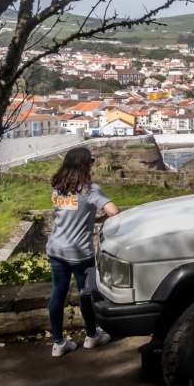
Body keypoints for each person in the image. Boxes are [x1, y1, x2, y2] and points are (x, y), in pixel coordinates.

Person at [46, 147, 121, 357]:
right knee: (86, 294)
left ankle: (58, 342)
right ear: (84, 164)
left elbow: (67, 214)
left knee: (57, 294)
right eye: (91, 161)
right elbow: (113, 211)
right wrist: (101, 221)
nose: (92, 164)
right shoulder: (90, 190)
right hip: (80, 252)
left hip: (56, 249)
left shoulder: (58, 188)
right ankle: (91, 335)